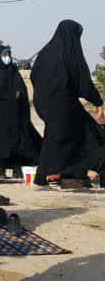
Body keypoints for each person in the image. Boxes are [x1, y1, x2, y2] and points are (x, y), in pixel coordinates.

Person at [29, 20, 105, 187]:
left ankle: (66, 176)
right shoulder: (70, 53)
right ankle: (45, 177)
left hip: (43, 103)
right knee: (89, 135)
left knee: (61, 137)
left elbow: (34, 76)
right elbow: (83, 82)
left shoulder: (44, 53)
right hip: (62, 103)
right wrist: (97, 101)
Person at [0, 45, 42, 180]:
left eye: (8, 55)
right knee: (0, 140)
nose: (7, 58)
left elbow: (21, 89)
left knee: (18, 140)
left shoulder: (13, 71)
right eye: (4, 55)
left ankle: (17, 167)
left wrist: (18, 95)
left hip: (16, 113)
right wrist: (9, 95)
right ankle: (1, 168)